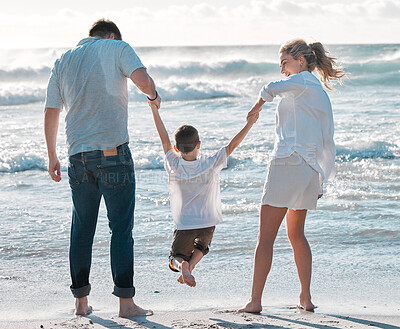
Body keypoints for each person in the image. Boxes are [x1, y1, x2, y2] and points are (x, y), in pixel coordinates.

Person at [44, 19, 161, 317]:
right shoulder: (117, 46)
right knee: (121, 228)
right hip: (113, 154)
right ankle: (126, 304)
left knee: (81, 230)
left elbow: (51, 110)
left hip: (77, 157)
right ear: (110, 36)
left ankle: (81, 303)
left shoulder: (63, 59)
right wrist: (153, 96)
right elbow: (143, 80)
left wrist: (51, 156)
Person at [239, 39, 346, 313]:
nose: (282, 70)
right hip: (309, 169)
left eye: (284, 62)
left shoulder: (300, 83)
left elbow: (269, 89)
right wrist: (321, 176)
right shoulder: (318, 90)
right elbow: (327, 139)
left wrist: (256, 107)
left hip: (288, 162)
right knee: (297, 235)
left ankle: (255, 301)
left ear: (300, 60)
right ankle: (306, 298)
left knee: (265, 238)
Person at [148, 101, 259, 287]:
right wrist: (249, 123)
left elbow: (163, 137)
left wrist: (154, 110)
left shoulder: (173, 165)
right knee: (202, 247)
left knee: (174, 257)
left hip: (185, 223)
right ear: (199, 144)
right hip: (208, 221)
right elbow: (232, 145)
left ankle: (182, 265)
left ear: (176, 148)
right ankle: (190, 266)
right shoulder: (210, 164)